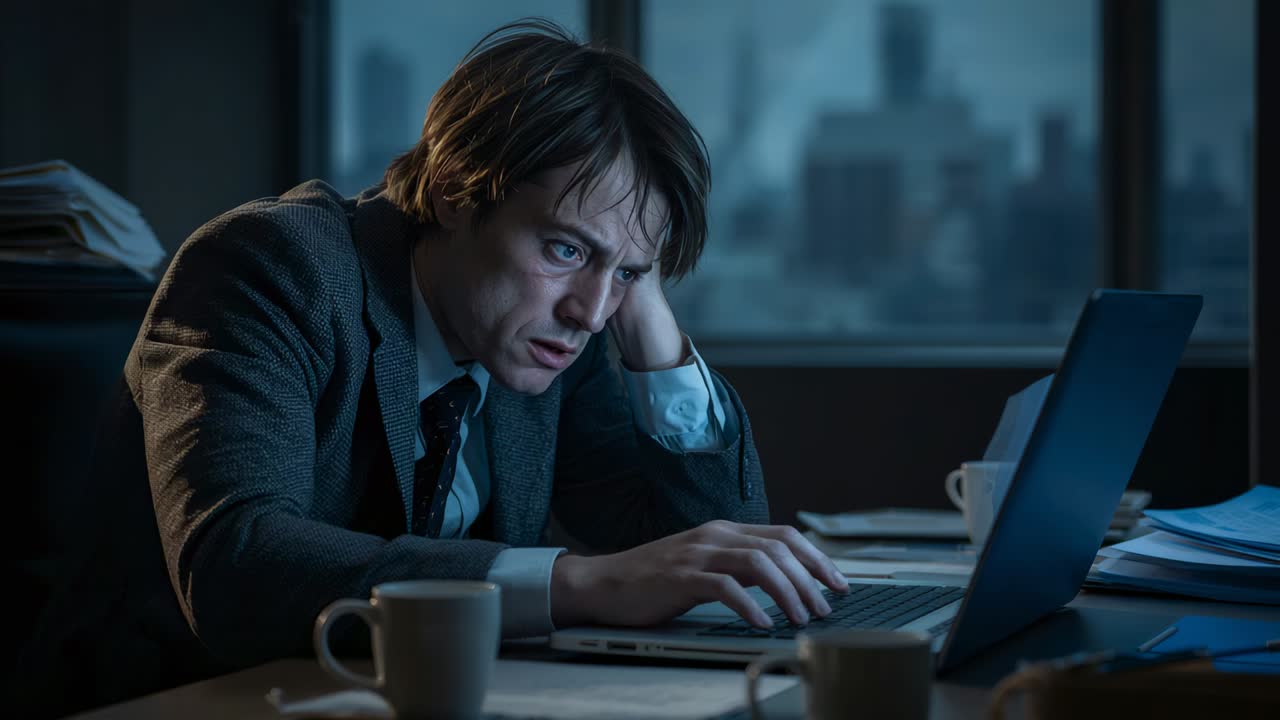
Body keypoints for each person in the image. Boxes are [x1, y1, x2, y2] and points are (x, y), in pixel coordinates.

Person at [35, 18, 847, 711]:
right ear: (458, 189)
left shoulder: (562, 327)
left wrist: (639, 297)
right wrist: (578, 583)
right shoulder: (270, 268)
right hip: (194, 703)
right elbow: (237, 563)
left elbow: (710, 552)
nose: (590, 313)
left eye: (627, 275)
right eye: (564, 248)